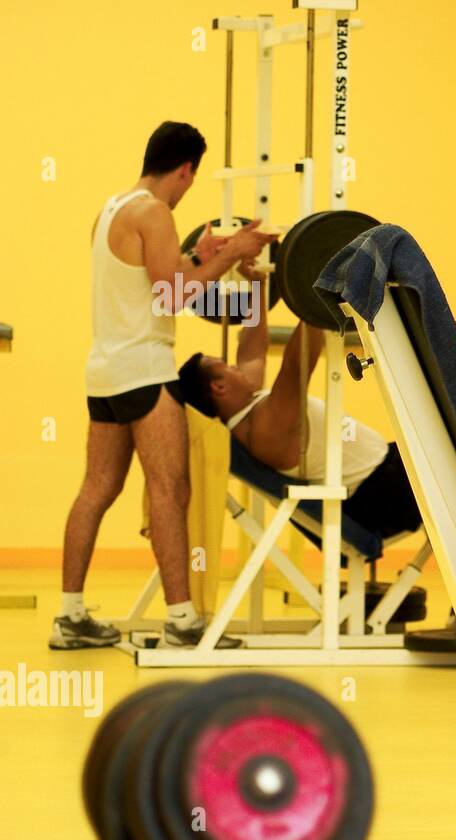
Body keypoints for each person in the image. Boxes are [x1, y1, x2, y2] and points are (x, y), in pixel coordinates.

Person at [53, 121, 271, 650]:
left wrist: (202, 254)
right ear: (186, 169)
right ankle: (182, 622)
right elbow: (172, 297)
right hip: (145, 370)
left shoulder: (115, 208)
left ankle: (70, 616)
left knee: (97, 488)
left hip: (105, 370)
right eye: (192, 179)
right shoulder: (156, 212)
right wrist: (235, 249)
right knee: (171, 490)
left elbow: (157, 276)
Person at [177, 316, 424, 543]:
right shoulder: (265, 427)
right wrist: (311, 301)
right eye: (226, 367)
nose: (235, 366)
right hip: (382, 494)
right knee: (451, 454)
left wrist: (257, 283)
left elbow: (253, 352)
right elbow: (296, 366)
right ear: (219, 388)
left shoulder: (249, 408)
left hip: (388, 471)